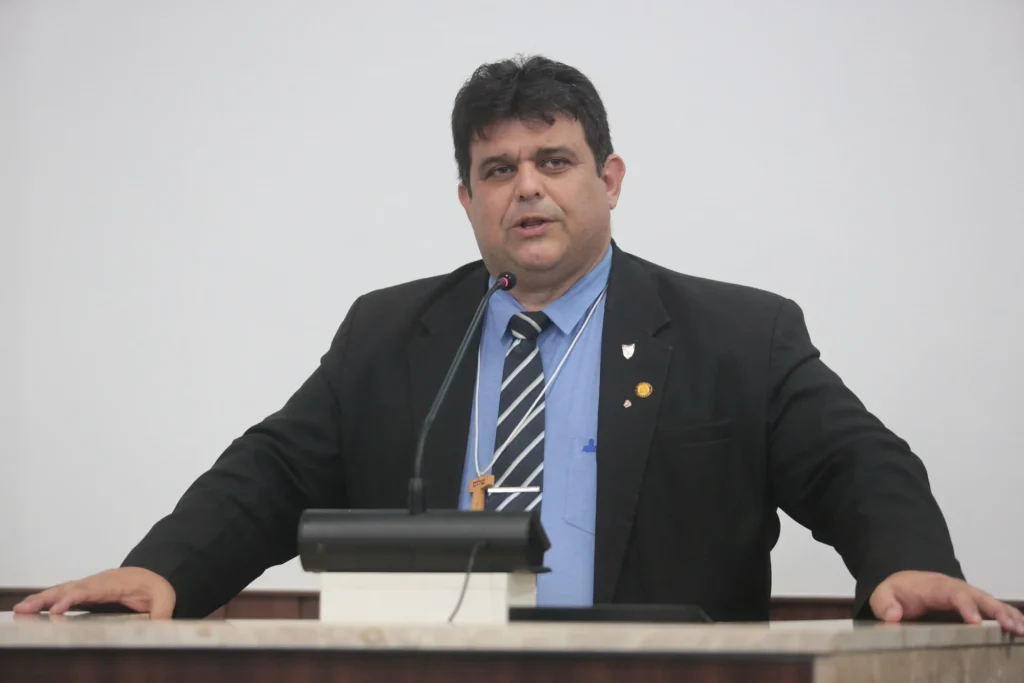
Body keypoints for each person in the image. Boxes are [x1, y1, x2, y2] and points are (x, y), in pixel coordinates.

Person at [14, 55, 1024, 633]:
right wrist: (164, 571)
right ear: (466, 197)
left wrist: (906, 563)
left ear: (609, 179)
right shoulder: (392, 333)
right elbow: (273, 471)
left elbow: (856, 460)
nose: (526, 187)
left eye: (554, 160)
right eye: (498, 170)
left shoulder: (734, 334)